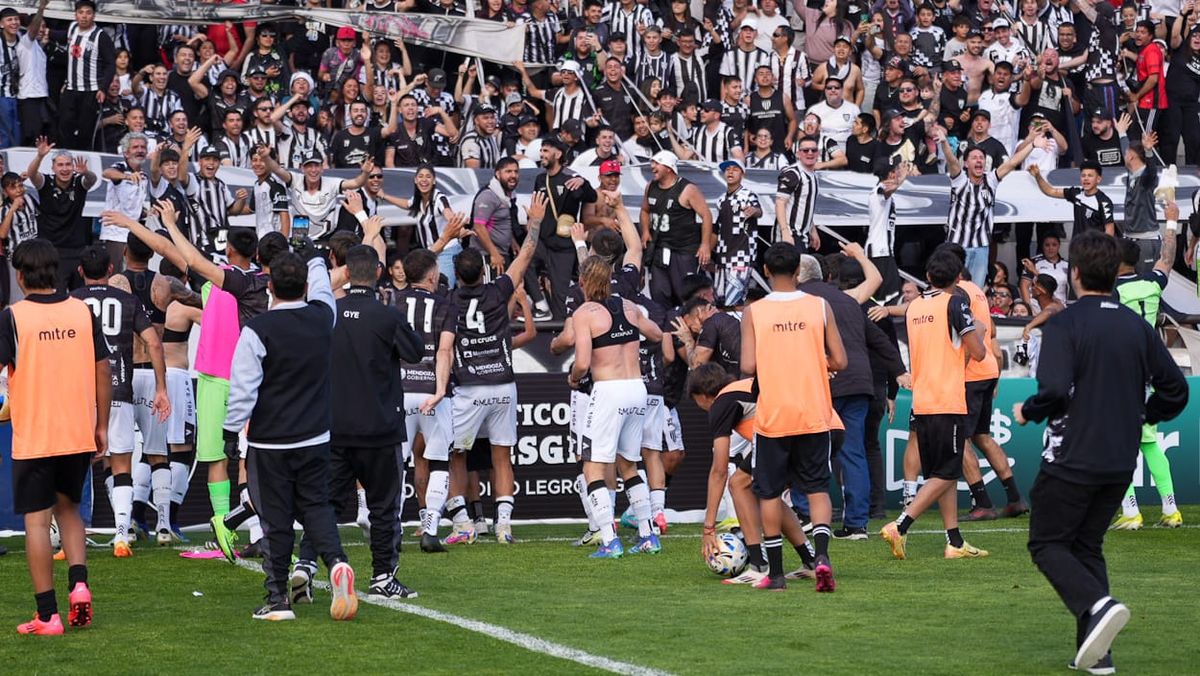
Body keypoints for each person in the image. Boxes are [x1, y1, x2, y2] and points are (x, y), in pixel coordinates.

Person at [1014, 230, 1187, 674]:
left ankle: (1099, 603)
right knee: (1086, 546)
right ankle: (1097, 655)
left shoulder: (1066, 323)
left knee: (1047, 543)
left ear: (1073, 274)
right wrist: (1144, 416)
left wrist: (1028, 410)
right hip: (1118, 458)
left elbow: (1052, 389)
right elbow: (1176, 390)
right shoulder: (1135, 325)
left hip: (1073, 455)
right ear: (1115, 273)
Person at [224, 243, 359, 622]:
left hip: (270, 441)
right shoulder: (321, 317)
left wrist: (231, 431)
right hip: (315, 436)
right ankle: (335, 563)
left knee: (276, 520)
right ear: (303, 285)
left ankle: (278, 599)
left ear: (269, 287)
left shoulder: (258, 328)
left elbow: (243, 389)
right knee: (317, 507)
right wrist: (316, 257)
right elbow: (320, 289)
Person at [292, 243, 422, 602]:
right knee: (383, 506)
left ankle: (305, 565)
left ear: (346, 273)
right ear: (378, 272)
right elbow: (416, 353)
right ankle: (382, 575)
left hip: (334, 427)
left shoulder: (328, 313)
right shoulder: (387, 315)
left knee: (325, 504)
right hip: (379, 428)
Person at [2, 239, 110, 635]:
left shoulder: (13, 316)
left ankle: (47, 615)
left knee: (36, 521)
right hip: (77, 430)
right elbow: (103, 370)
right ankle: (79, 584)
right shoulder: (82, 312)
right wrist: (101, 425)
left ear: (20, 275)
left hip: (35, 435)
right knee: (69, 510)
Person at [740, 242, 847, 592]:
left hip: (774, 415)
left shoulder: (754, 312)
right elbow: (841, 361)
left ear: (767, 271)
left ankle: (777, 574)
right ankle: (823, 558)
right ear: (798, 272)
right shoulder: (820, 306)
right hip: (814, 411)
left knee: (769, 494)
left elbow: (748, 366)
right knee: (817, 487)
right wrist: (816, 363)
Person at [443, 193, 547, 545]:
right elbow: (526, 254)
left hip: (469, 386)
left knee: (456, 454)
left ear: (457, 274)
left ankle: (463, 524)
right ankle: (504, 526)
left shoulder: (450, 299)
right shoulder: (498, 289)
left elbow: (423, 265)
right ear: (483, 271)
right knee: (502, 456)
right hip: (502, 384)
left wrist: (446, 236)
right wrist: (534, 221)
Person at [880, 249, 988, 561]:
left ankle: (954, 541)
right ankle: (900, 525)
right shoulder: (956, 302)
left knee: (943, 473)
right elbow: (978, 353)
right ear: (959, 279)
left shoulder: (914, 307)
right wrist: (978, 332)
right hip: (947, 398)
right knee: (948, 472)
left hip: (922, 398)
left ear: (927, 277)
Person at [72, 245, 170, 554]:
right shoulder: (127, 301)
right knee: (121, 464)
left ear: (80, 271)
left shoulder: (71, 301)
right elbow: (154, 343)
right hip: (118, 390)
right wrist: (161, 388)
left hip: (79, 393)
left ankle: (61, 536)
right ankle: (121, 535)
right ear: (111, 270)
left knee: (70, 465)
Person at [571, 255, 665, 558]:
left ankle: (610, 540)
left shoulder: (585, 312)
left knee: (593, 467)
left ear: (583, 281)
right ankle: (648, 535)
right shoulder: (628, 305)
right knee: (628, 463)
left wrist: (573, 378)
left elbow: (583, 363)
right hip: (637, 388)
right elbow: (657, 334)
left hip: (609, 390)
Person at [689, 363, 816, 584]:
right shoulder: (741, 389)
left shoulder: (721, 402)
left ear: (702, 395)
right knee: (758, 489)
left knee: (739, 484)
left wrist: (708, 527)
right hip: (815, 428)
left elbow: (719, 471)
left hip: (788, 433)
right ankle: (811, 560)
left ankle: (759, 565)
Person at [1111, 224, 1182, 529]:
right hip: (1148, 373)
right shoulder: (1152, 283)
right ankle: (1170, 509)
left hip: (1122, 375)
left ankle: (1130, 512)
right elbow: (1167, 258)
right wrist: (1171, 224)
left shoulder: (1114, 293)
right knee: (1149, 443)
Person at [396, 245, 460, 552]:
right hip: (433, 392)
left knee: (396, 461)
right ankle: (430, 530)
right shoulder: (445, 305)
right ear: (433, 275)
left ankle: (390, 526)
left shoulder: (392, 301)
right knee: (438, 461)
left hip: (400, 391)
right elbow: (444, 350)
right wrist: (439, 390)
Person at [640, 150, 713, 308]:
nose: (652, 167)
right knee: (659, 293)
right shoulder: (650, 186)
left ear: (668, 167)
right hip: (659, 249)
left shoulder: (687, 189)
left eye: (656, 163)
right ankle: (664, 328)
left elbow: (706, 215)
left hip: (683, 250)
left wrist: (705, 244)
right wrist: (645, 231)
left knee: (684, 294)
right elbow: (645, 210)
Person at [26, 138, 97, 291]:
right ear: (53, 168)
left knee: (79, 295)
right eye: (60, 165)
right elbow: (32, 174)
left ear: (73, 166)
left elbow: (92, 179)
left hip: (77, 249)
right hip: (51, 250)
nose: (64, 169)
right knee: (55, 294)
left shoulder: (79, 183)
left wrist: (86, 172)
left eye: (68, 164)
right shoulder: (45, 182)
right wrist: (39, 156)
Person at [711, 159, 761, 308]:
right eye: (727, 169)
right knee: (719, 301)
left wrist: (753, 211)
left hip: (741, 255)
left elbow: (758, 211)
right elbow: (716, 228)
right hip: (722, 257)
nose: (730, 172)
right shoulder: (720, 200)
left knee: (735, 300)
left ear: (742, 174)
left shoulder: (748, 195)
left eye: (735, 169)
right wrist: (708, 251)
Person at [1028, 162, 1115, 238]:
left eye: (1090, 175)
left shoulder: (1104, 201)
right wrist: (1037, 176)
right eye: (1083, 175)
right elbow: (1051, 191)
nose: (1086, 178)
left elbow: (1109, 230)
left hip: (1095, 252)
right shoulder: (1076, 193)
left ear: (1098, 179)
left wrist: (1103, 252)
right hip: (1076, 250)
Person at [775, 135, 821, 253]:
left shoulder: (814, 176)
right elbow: (780, 203)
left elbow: (805, 206)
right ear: (798, 154)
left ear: (818, 153)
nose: (810, 153)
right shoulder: (792, 173)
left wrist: (813, 230)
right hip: (790, 235)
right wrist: (785, 232)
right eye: (805, 150)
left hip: (803, 236)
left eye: (813, 150)